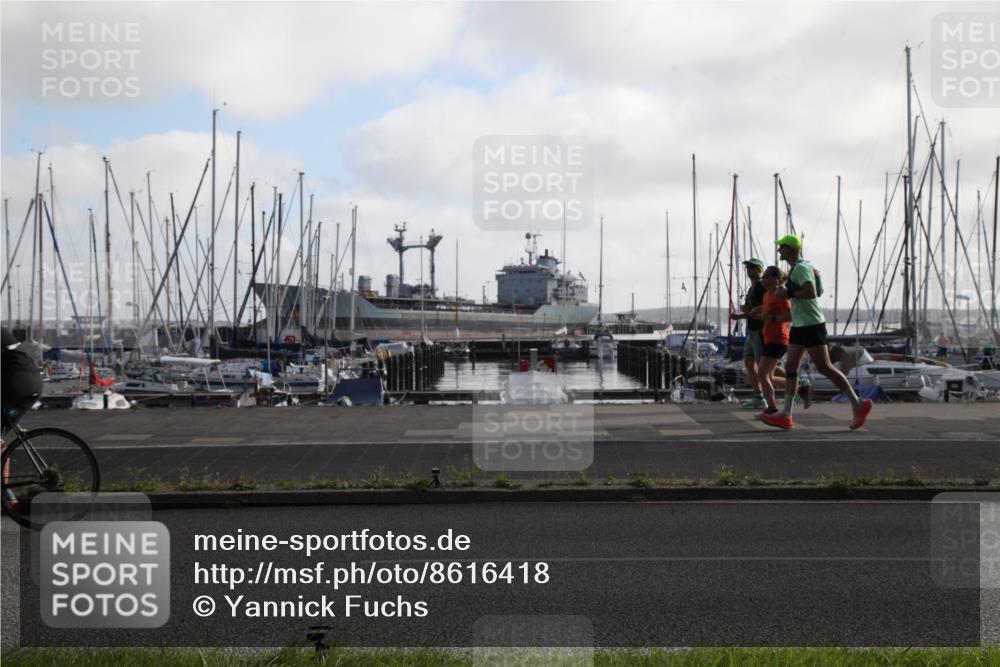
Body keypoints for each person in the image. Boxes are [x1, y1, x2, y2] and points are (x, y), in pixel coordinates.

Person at [760, 235, 873, 430]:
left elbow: (811, 292)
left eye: (782, 248)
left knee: (825, 367)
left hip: (812, 324)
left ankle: (858, 404)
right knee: (790, 367)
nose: (779, 251)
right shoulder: (800, 267)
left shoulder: (802, 268)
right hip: (800, 324)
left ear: (792, 249)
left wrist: (788, 293)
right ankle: (786, 414)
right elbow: (818, 290)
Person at [749, 266, 791, 417]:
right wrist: (757, 311)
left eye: (766, 276)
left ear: (775, 279)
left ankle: (772, 408)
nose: (763, 279)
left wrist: (771, 318)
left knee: (762, 374)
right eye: (763, 276)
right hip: (769, 338)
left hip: (778, 339)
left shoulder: (781, 295)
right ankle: (799, 387)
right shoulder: (767, 294)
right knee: (769, 377)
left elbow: (790, 315)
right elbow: (766, 309)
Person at [729, 258, 768, 409]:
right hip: (751, 331)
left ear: (759, 270)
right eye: (747, 267)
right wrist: (739, 316)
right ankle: (758, 395)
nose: (748, 270)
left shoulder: (760, 287)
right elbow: (751, 311)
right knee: (749, 363)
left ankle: (794, 382)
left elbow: (764, 308)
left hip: (760, 330)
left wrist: (749, 311)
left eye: (752, 267)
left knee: (763, 366)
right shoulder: (751, 288)